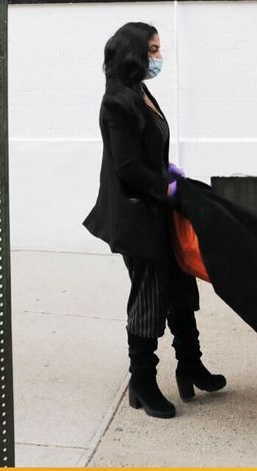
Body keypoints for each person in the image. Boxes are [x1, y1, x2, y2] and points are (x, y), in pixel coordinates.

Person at [83, 23, 226, 419]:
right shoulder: (117, 103)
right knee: (149, 296)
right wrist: (167, 189)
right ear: (134, 53)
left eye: (158, 49)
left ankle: (190, 365)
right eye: (153, 49)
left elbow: (149, 153)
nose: (159, 57)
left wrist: (169, 173)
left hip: (158, 209)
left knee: (181, 286)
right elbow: (127, 168)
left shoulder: (142, 93)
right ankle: (142, 382)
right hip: (136, 215)